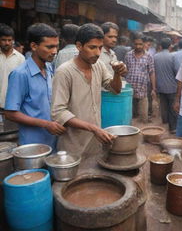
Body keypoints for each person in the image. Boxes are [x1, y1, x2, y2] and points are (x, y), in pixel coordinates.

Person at [51, 23, 127, 156]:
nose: (97, 53)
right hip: (73, 145)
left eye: (100, 48)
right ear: (79, 46)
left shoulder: (99, 66)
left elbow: (115, 90)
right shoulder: (64, 72)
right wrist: (93, 128)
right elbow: (58, 113)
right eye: (92, 47)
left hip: (95, 142)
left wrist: (117, 73)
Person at [4, 23, 66, 148]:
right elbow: (10, 113)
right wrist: (46, 124)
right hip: (32, 143)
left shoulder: (49, 68)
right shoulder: (20, 74)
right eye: (49, 47)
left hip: (53, 140)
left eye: (56, 47)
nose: (54, 51)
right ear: (33, 46)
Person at [124, 32, 156, 123]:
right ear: (133, 43)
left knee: (143, 117)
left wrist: (154, 89)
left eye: (140, 44)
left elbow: (152, 72)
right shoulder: (128, 55)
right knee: (129, 116)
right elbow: (125, 70)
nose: (138, 46)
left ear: (144, 44)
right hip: (129, 89)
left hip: (143, 89)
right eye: (136, 44)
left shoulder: (149, 56)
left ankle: (143, 131)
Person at [154, 38, 177, 132]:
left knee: (163, 105)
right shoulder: (173, 57)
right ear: (170, 46)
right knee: (172, 107)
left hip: (160, 85)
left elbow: (153, 71)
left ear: (160, 46)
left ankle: (165, 121)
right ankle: (172, 128)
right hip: (171, 86)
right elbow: (176, 71)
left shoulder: (155, 56)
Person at [0, 24, 25, 109]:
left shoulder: (20, 59)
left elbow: (22, 83)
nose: (7, 43)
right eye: (3, 40)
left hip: (11, 106)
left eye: (9, 40)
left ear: (13, 41)